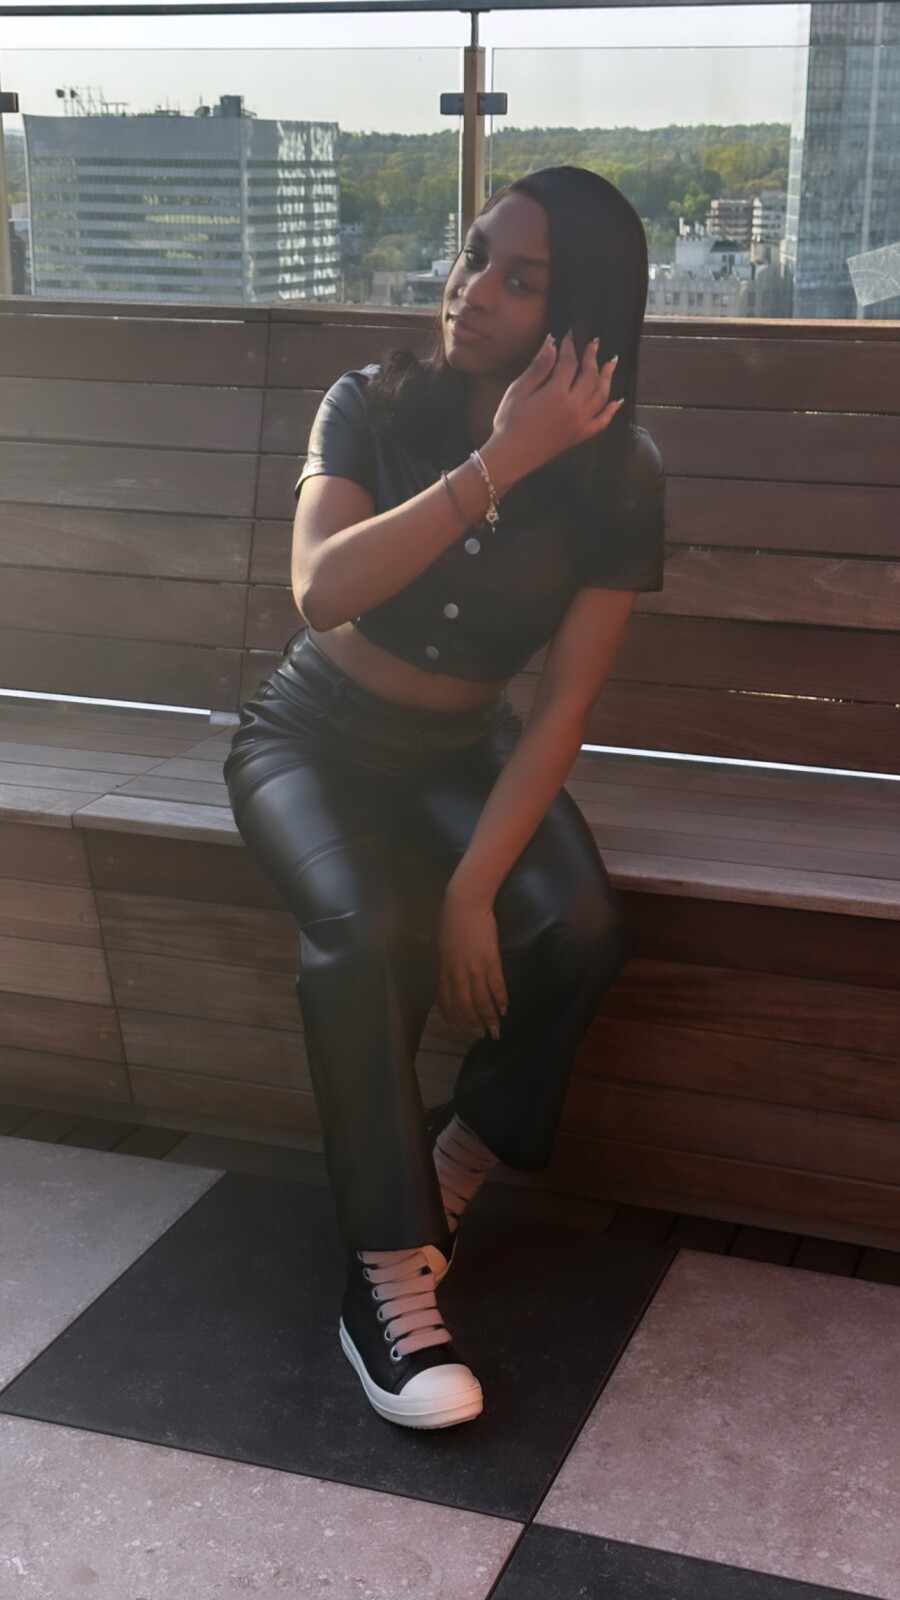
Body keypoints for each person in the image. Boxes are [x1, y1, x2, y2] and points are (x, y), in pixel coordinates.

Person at [223, 165, 667, 1433]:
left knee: (578, 928)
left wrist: (476, 888)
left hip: (463, 752)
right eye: (475, 256)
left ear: (579, 314)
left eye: (521, 280)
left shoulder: (621, 471)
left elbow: (565, 703)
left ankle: (450, 1161)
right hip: (310, 739)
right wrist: (500, 459)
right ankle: (388, 1280)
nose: (473, 290)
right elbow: (323, 587)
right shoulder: (368, 402)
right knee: (364, 933)